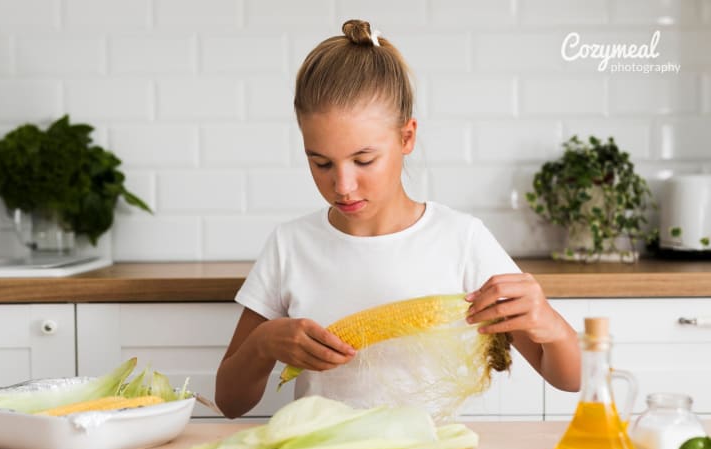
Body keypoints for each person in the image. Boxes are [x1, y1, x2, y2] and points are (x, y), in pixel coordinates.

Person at [215, 20, 581, 419]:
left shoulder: (461, 240)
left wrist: (550, 324)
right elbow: (230, 402)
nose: (343, 185)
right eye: (320, 163)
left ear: (406, 138)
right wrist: (262, 344)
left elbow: (568, 378)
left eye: (364, 160)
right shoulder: (291, 245)